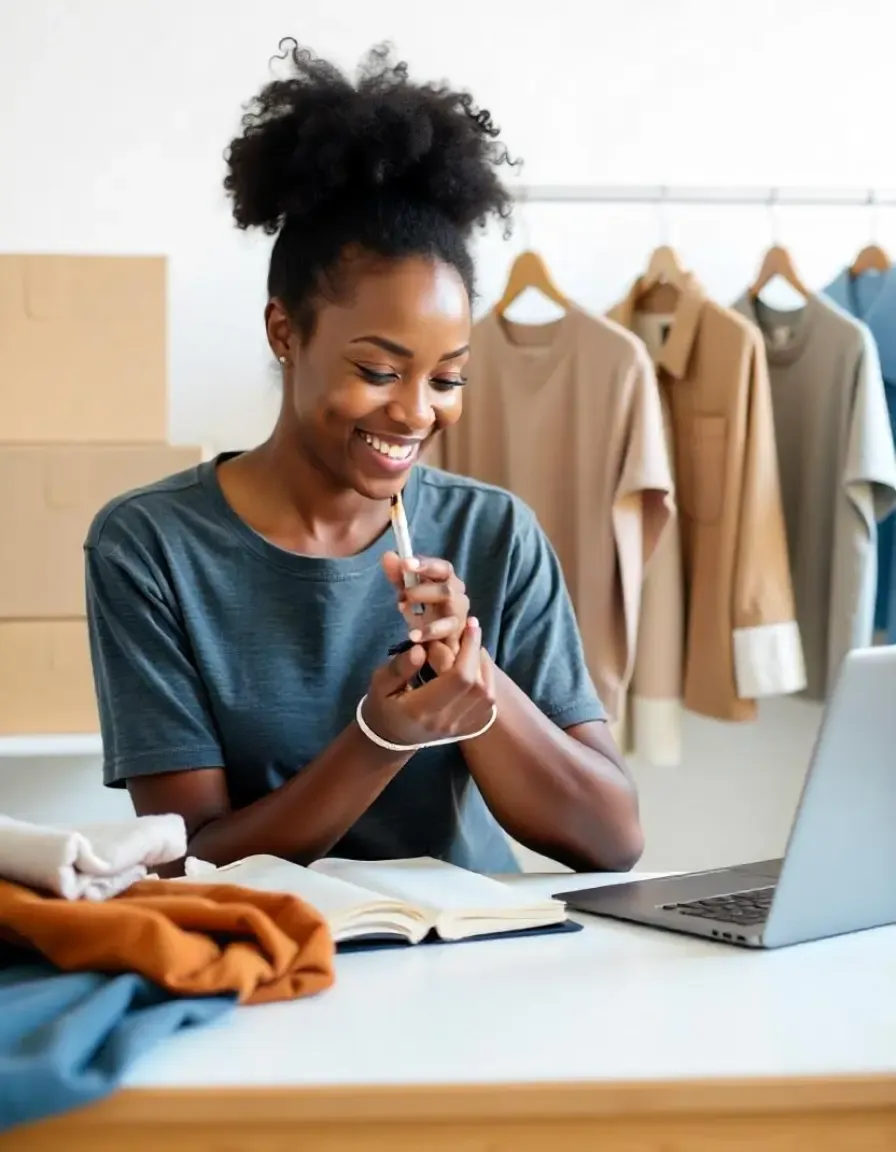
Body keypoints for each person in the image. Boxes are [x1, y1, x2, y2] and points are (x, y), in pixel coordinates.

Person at [84, 39, 643, 875]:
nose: (417, 412)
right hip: (274, 978)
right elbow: (186, 868)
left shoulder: (494, 532)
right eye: (379, 371)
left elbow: (612, 841)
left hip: (478, 963)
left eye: (447, 377)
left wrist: (474, 682)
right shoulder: (152, 547)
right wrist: (381, 739)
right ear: (286, 333)